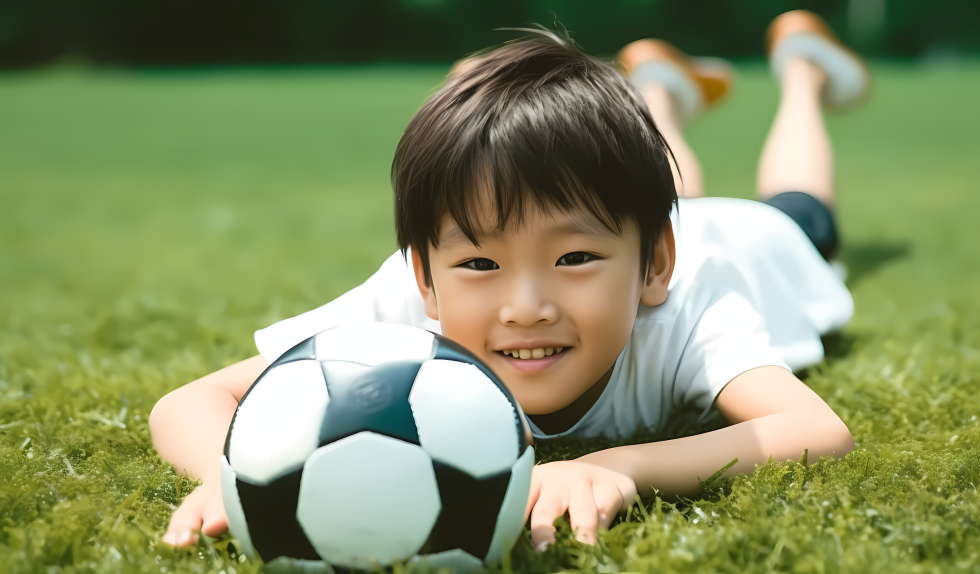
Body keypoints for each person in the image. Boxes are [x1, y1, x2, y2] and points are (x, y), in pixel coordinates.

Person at [150, 9, 867, 553]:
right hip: (648, 224)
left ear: (655, 267)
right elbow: (190, 401)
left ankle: (800, 75)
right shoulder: (408, 301)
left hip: (756, 242)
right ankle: (657, 93)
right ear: (425, 279)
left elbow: (815, 429)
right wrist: (232, 472)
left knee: (801, 213)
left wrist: (623, 466)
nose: (526, 308)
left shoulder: (690, 297)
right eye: (481, 265)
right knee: (631, 193)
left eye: (574, 262)